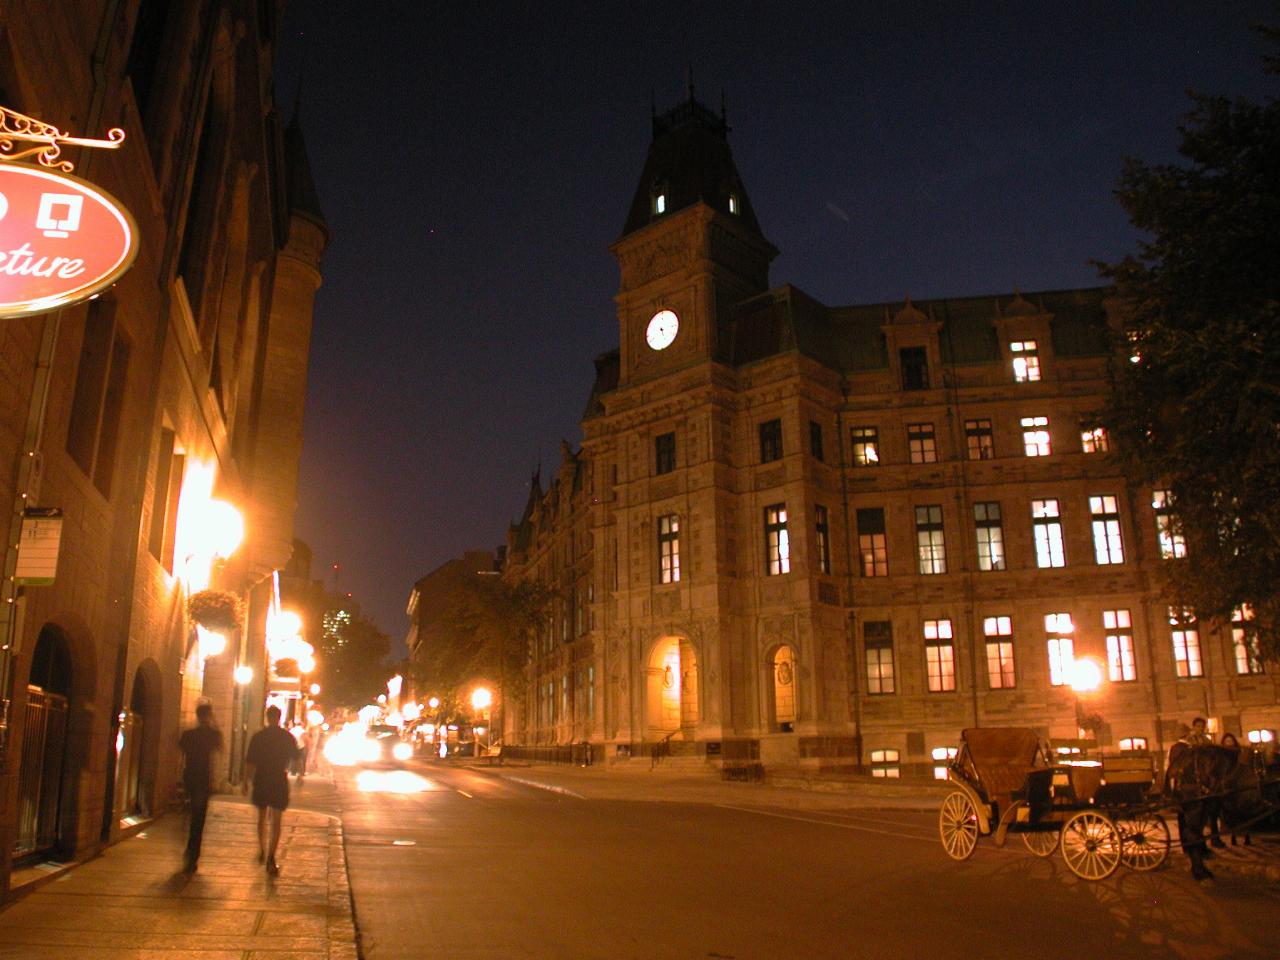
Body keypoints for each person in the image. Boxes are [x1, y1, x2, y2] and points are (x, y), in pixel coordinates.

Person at [245, 705, 299, 876]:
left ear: (267, 718)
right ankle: (271, 857)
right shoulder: (287, 737)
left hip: (261, 778)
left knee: (261, 817)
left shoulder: (258, 737)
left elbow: (250, 762)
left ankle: (262, 848)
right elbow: (296, 759)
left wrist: (246, 781)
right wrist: (297, 774)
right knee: (276, 820)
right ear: (279, 717)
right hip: (278, 779)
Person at [177, 702, 223, 874]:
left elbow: (180, 755)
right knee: (198, 820)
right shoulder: (212, 734)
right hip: (203, 779)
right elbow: (221, 747)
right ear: (208, 716)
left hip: (189, 777)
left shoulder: (188, 734)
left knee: (189, 817)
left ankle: (189, 851)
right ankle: (192, 855)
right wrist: (215, 721)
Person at [1220, 733, 1253, 846]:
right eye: (1227, 741)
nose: (1229, 743)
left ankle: (1246, 835)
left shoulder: (1239, 751)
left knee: (1244, 810)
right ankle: (1233, 835)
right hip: (1228, 781)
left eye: (1231, 741)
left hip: (1238, 780)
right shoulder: (1222, 754)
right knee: (1231, 812)